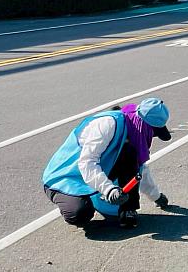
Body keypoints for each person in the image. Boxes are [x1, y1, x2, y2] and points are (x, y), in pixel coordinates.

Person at [42, 98, 171, 229]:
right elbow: (87, 162)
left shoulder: (133, 132)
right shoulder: (108, 124)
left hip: (91, 176)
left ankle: (127, 210)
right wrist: (108, 189)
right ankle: (80, 199)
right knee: (79, 214)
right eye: (153, 132)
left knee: (130, 154)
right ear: (144, 125)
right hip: (66, 178)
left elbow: (139, 170)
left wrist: (156, 196)